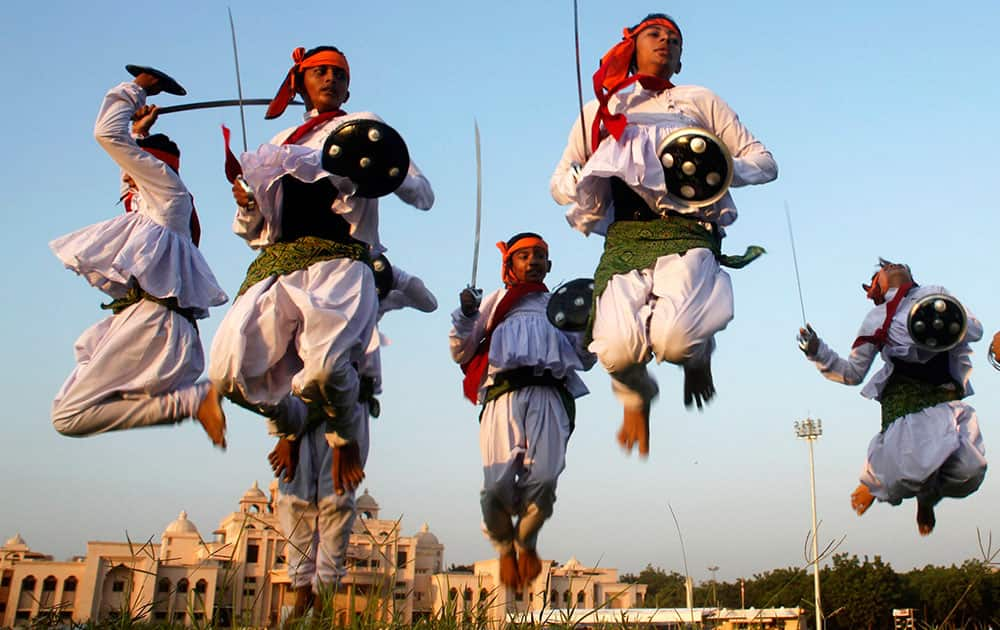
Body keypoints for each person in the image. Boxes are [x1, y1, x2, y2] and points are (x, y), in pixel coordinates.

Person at [208, 43, 433, 596]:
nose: (328, 78)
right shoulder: (277, 146)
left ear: (348, 85)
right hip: (285, 266)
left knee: (331, 375)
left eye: (337, 72)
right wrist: (245, 200)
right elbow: (253, 230)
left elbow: (422, 193)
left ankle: (322, 584)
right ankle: (289, 433)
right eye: (318, 71)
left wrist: (381, 167)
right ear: (301, 81)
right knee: (230, 370)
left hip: (343, 267)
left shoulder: (362, 126)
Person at [550, 13, 777, 459]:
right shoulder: (601, 109)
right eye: (655, 35)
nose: (666, 43)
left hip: (688, 232)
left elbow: (764, 160)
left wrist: (724, 171)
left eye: (674, 40)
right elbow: (560, 176)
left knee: (675, 342)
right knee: (614, 352)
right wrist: (573, 182)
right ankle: (637, 397)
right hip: (626, 240)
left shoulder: (699, 100)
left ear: (679, 58)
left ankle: (698, 356)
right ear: (631, 45)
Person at [49, 68, 228, 446]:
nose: (126, 172)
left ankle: (194, 401)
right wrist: (140, 132)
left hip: (155, 325)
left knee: (69, 416)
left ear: (151, 166)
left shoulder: (167, 193)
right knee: (68, 408)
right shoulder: (152, 208)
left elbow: (105, 134)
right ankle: (191, 401)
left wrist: (138, 89)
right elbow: (128, 166)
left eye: (133, 164)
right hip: (151, 324)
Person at [267, 263, 437, 618]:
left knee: (337, 497)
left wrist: (388, 273)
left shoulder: (367, 289)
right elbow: (277, 351)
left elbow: (428, 302)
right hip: (300, 396)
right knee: (294, 495)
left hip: (351, 399)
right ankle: (301, 590)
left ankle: (323, 593)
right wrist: (283, 431)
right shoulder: (302, 275)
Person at [797, 260, 987, 535]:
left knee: (970, 470)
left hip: (945, 397)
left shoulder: (936, 293)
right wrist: (817, 351)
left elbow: (973, 329)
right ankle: (875, 483)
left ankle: (928, 497)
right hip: (905, 399)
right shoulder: (876, 319)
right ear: (876, 287)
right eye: (882, 270)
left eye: (896, 263)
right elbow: (852, 372)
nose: (893, 266)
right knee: (911, 469)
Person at [450, 233, 595, 588]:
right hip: (503, 397)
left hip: (549, 396)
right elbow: (461, 351)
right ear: (509, 265)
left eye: (539, 256)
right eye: (524, 256)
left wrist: (591, 324)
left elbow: (586, 357)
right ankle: (503, 545)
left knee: (544, 478)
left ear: (549, 265)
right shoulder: (495, 303)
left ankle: (526, 540)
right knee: (497, 485)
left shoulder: (559, 306)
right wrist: (468, 315)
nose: (532, 262)